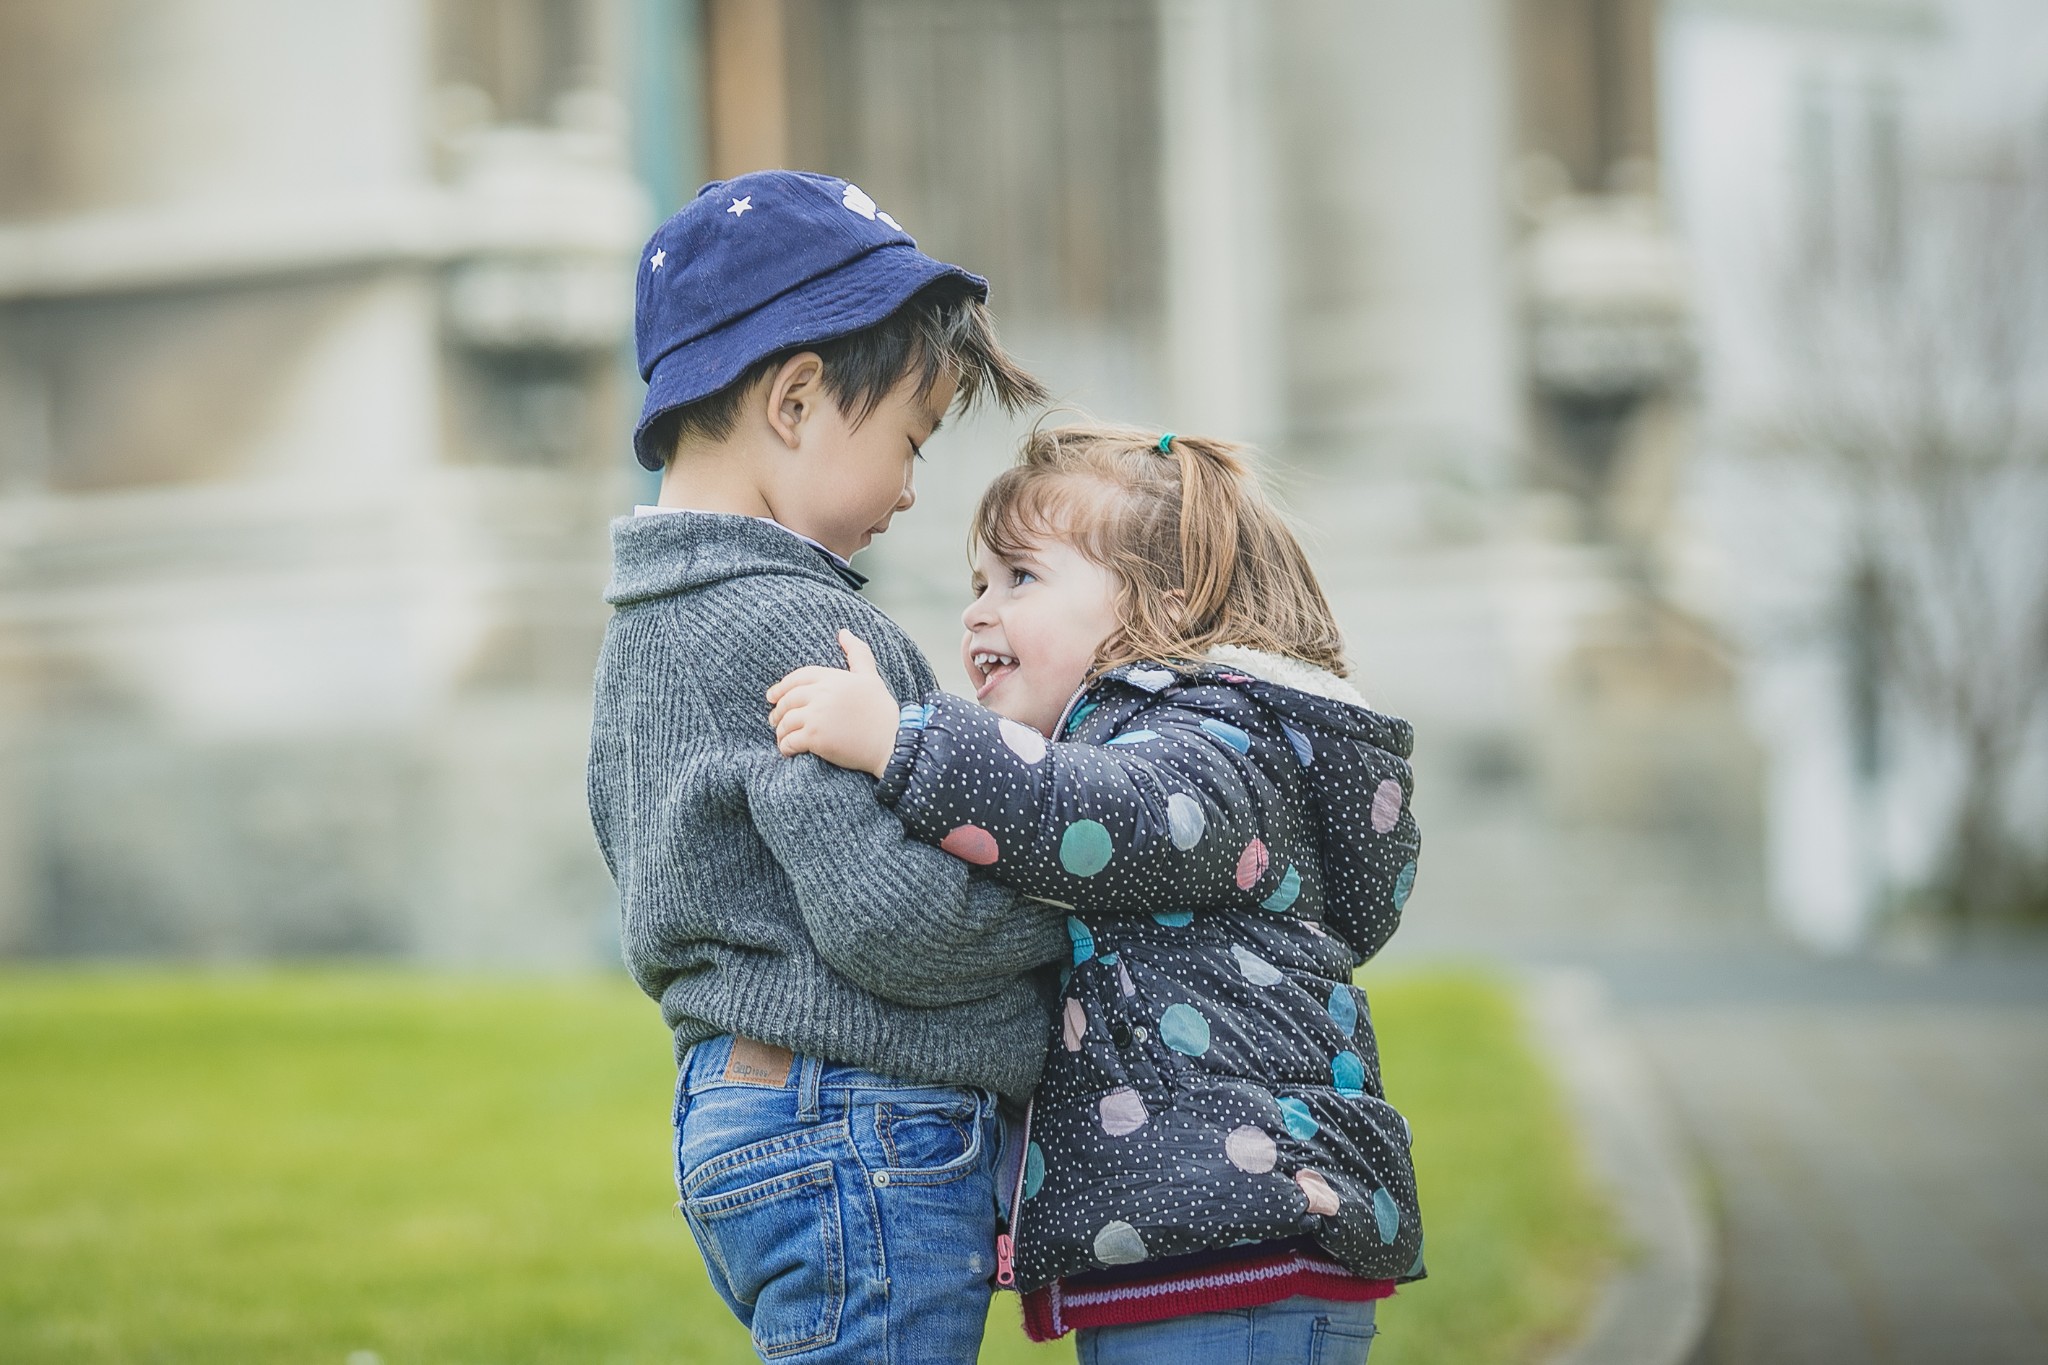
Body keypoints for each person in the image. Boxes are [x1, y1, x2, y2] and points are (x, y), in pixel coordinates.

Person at [768, 423, 1427, 1363]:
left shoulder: (1213, 750)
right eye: (977, 584)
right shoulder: (1173, 742)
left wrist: (898, 740)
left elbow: (1081, 813)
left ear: (1164, 602)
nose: (977, 612)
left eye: (1020, 578)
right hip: (1196, 1245)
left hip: (1243, 1241)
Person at [586, 169, 1070, 1365]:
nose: (913, 489)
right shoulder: (789, 625)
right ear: (795, 400)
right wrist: (1080, 888)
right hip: (859, 1123)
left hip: (752, 1114)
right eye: (909, 439)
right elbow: (895, 919)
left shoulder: (649, 631)